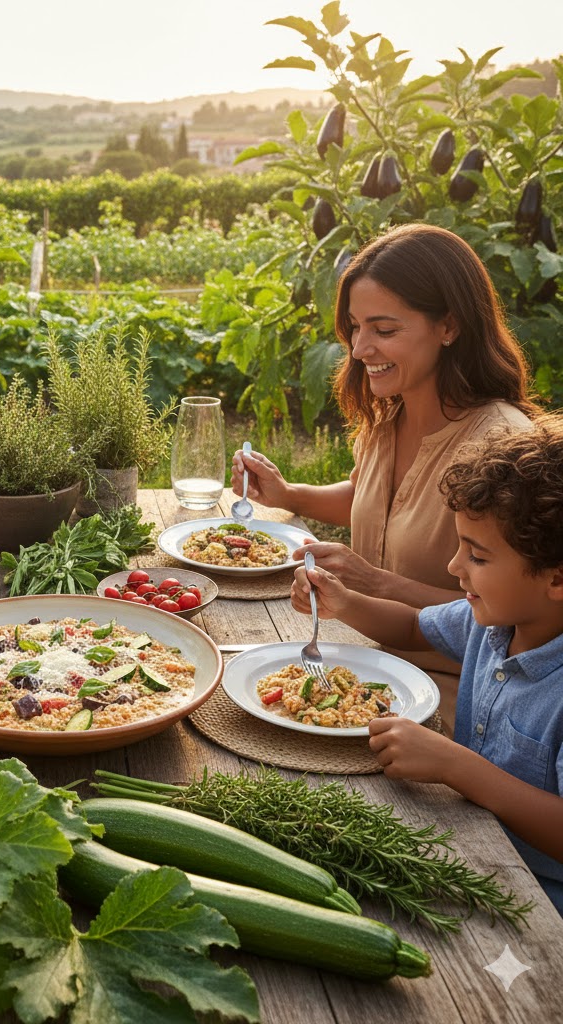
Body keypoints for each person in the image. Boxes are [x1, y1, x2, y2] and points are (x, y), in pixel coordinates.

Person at [232, 224, 539, 728]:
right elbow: (376, 499)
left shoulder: (502, 445)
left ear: (450, 327)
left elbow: (514, 619)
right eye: (354, 327)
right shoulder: (387, 416)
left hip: (456, 698)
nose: (358, 349)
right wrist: (290, 494)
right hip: (367, 667)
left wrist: (375, 583)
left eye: (384, 329)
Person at [291, 418, 563, 914]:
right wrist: (344, 603)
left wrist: (455, 766)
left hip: (535, 903)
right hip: (464, 845)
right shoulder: (495, 621)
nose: (455, 568)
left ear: (556, 578)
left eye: (476, 556)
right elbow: (416, 627)